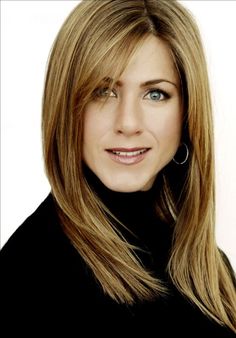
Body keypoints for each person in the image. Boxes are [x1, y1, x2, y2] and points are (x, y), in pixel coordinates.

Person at [1, 0, 236, 336]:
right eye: (104, 91)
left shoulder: (211, 271)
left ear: (187, 113)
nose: (128, 123)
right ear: (67, 108)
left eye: (155, 94)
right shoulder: (29, 275)